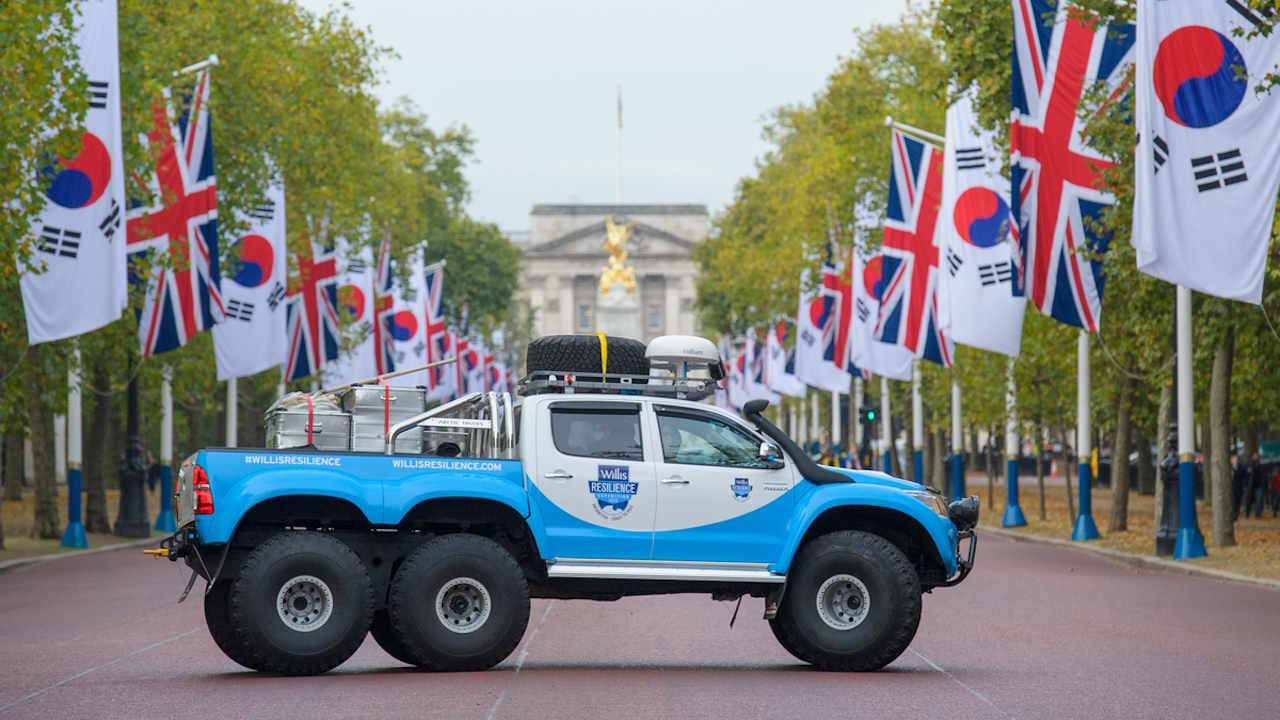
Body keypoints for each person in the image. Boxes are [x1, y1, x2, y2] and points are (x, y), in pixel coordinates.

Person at [1231, 453, 1246, 522]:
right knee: (1233, 502)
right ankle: (1233, 516)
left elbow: (1244, 475)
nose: (1235, 460)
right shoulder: (1229, 467)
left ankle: (1236, 515)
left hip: (1239, 487)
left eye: (1236, 459)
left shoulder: (1241, 467)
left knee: (1238, 502)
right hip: (1232, 488)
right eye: (1234, 459)